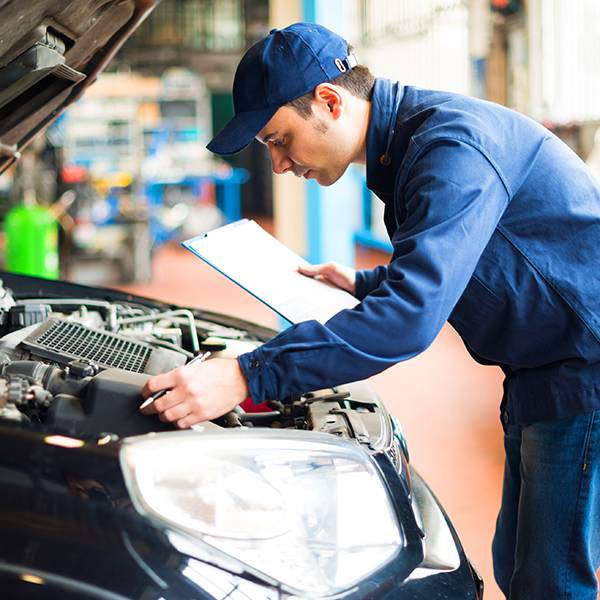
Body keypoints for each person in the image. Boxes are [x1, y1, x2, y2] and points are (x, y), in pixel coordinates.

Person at [140, 22, 600, 599]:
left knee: (551, 582)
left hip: (584, 368)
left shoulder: (451, 148)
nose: (280, 165)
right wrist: (364, 281)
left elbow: (410, 318)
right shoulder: (407, 147)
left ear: (329, 102)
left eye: (278, 140)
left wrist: (245, 374)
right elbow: (475, 254)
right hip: (543, 365)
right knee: (517, 565)